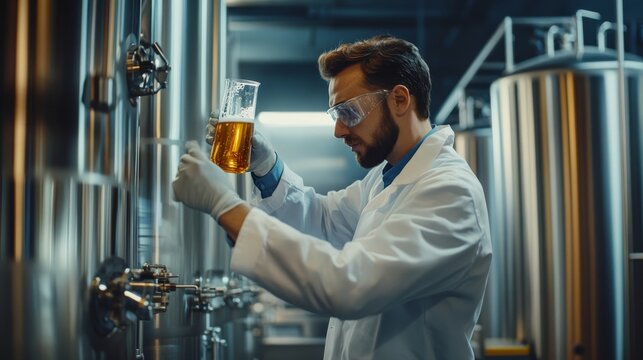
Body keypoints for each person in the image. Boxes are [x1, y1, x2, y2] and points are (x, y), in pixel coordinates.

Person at [172, 35, 492, 359]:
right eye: (335, 115)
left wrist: (223, 205)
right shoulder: (383, 182)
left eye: (349, 112)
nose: (339, 130)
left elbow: (349, 285)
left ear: (399, 99)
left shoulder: (450, 192)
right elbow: (322, 221)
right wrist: (267, 167)